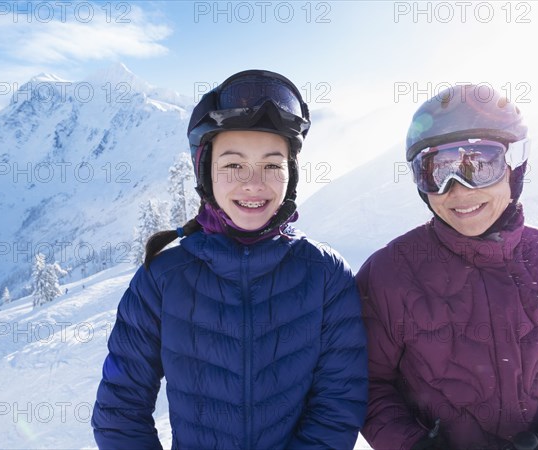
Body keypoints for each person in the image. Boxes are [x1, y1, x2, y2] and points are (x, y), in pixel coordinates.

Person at [92, 69, 368, 449]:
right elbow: (119, 409)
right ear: (206, 173)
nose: (254, 183)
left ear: (291, 174)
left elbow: (338, 403)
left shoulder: (325, 274)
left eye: (272, 165)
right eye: (233, 165)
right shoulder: (164, 278)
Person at [357, 84, 538, 450]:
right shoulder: (389, 274)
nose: (458, 190)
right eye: (436, 171)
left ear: (515, 166)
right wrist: (413, 445)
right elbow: (367, 381)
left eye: (480, 165)